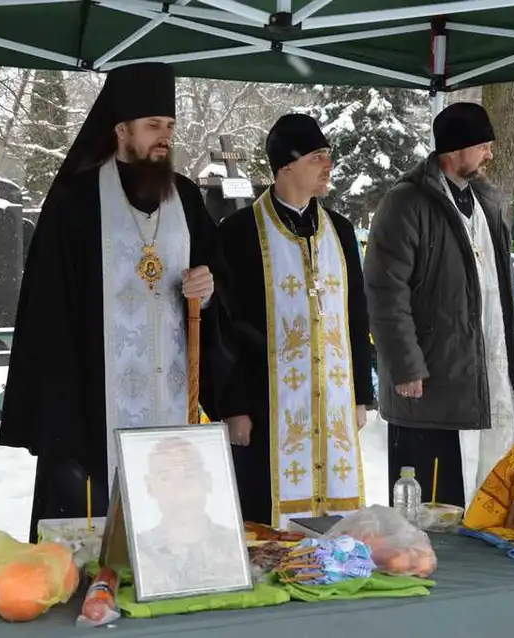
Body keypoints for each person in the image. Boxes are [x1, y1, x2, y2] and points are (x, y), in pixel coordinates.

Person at [0, 62, 234, 542]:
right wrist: (59, 415)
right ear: (121, 129)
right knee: (85, 543)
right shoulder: (75, 200)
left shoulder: (186, 198)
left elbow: (217, 287)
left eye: (168, 127)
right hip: (91, 404)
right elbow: (48, 311)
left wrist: (207, 293)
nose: (163, 137)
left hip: (170, 400)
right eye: (152, 127)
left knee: (168, 536)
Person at [364, 102, 514, 508]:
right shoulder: (405, 204)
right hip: (430, 381)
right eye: (483, 145)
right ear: (456, 148)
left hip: (484, 370)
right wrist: (405, 365)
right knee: (434, 506)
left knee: (486, 492)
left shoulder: (486, 203)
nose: (490, 155)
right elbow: (386, 291)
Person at [218, 114, 373, 528]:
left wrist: (360, 392)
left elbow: (356, 313)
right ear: (286, 166)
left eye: (328, 156)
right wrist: (233, 407)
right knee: (264, 523)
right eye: (316, 157)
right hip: (265, 403)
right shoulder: (237, 233)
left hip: (332, 401)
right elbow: (224, 327)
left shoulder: (339, 230)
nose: (328, 166)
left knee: (337, 521)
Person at [134, 436, 248, 595]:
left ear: (207, 480)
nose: (180, 487)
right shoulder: (139, 551)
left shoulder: (235, 545)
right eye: (166, 477)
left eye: (190, 475)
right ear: (150, 486)